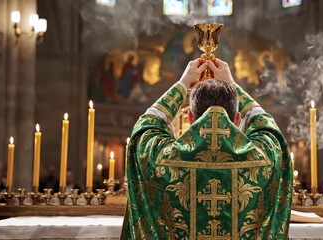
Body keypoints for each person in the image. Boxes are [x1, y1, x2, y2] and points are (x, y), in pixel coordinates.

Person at [121, 58, 292, 239]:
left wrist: (182, 84)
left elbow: (145, 128)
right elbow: (268, 129)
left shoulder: (163, 158)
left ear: (190, 118)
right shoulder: (264, 156)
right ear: (236, 119)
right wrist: (233, 85)